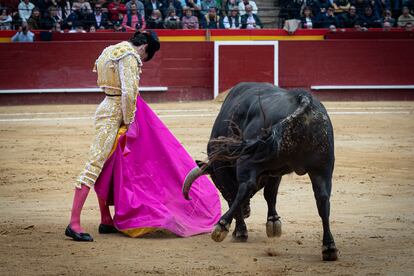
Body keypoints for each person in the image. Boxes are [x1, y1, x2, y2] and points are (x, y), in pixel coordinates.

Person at [65, 31, 220, 241]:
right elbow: (129, 93)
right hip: (116, 114)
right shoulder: (129, 55)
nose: (144, 61)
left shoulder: (109, 50)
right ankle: (74, 223)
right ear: (145, 47)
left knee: (107, 166)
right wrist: (130, 122)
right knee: (95, 165)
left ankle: (106, 219)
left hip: (105, 108)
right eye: (147, 56)